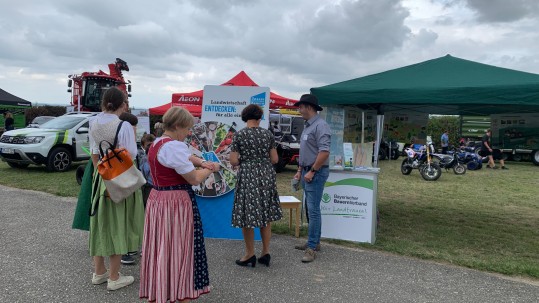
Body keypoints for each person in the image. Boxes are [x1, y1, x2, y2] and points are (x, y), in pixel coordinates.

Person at [139, 106, 218, 303]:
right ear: (176, 126)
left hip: (158, 199)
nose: (188, 133)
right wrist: (210, 169)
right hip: (174, 203)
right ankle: (179, 291)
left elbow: (186, 157)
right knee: (179, 249)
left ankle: (164, 287)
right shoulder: (174, 146)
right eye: (186, 129)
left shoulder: (158, 142)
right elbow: (193, 178)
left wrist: (200, 161)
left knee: (162, 248)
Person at [88, 87, 145, 291]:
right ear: (123, 105)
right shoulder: (124, 126)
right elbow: (130, 155)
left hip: (100, 177)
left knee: (100, 222)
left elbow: (94, 154)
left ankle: (99, 272)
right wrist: (114, 180)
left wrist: (102, 175)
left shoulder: (93, 122)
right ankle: (114, 277)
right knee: (118, 224)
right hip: (119, 179)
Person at [229, 104, 282, 268]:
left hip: (248, 176)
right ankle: (265, 253)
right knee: (264, 214)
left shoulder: (239, 135)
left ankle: (249, 254)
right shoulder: (267, 135)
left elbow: (233, 161)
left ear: (245, 117)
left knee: (247, 214)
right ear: (259, 117)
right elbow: (275, 159)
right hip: (266, 176)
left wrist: (245, 160)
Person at [292, 94, 331, 263]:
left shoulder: (321, 126)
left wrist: (313, 171)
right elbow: (305, 151)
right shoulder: (308, 126)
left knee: (313, 210)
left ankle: (312, 247)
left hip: (316, 172)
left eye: (300, 107)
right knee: (311, 209)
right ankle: (313, 242)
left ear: (309, 107)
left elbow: (324, 152)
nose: (299, 110)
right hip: (307, 171)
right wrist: (300, 170)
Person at [118, 111, 140, 265]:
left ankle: (130, 245)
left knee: (133, 212)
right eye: (133, 127)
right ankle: (123, 250)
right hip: (124, 178)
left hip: (131, 178)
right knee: (125, 213)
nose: (135, 130)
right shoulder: (124, 141)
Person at [138, 133, 156, 206]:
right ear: (143, 146)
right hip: (149, 187)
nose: (151, 147)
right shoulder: (144, 159)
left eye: (152, 144)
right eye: (148, 145)